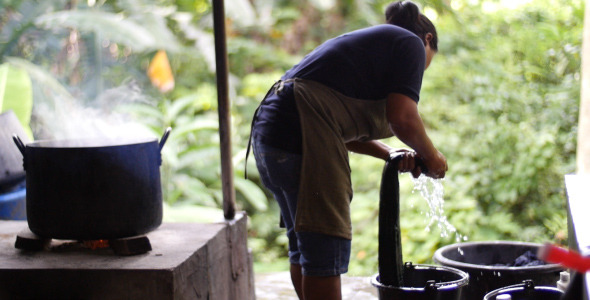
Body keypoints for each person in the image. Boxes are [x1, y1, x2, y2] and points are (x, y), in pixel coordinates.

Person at [248, 1, 447, 299]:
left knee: (305, 248)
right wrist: (434, 158)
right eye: (427, 61)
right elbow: (403, 118)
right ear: (428, 39)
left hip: (272, 136)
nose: (422, 68)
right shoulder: (410, 44)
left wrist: (388, 153)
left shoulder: (369, 51)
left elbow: (338, 126)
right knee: (323, 249)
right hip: (299, 137)